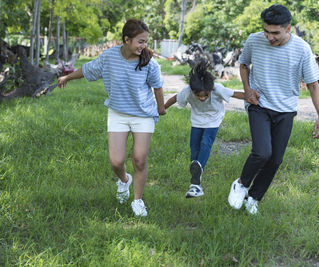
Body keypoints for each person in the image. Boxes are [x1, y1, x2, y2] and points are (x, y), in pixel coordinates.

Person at [57, 19, 166, 217]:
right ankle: (124, 180)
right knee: (116, 162)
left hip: (143, 115)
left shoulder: (149, 62)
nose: (144, 46)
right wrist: (67, 77)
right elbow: (88, 69)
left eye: (145, 42)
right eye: (140, 41)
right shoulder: (109, 57)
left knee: (139, 159)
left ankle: (137, 200)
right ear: (127, 39)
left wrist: (161, 108)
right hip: (118, 113)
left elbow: (157, 86)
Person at [227, 4, 319, 215]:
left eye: (275, 33)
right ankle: (241, 184)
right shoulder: (255, 40)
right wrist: (247, 89)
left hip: (286, 109)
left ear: (288, 28)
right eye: (266, 31)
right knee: (262, 152)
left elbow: (313, 84)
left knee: (276, 159)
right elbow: (243, 64)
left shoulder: (302, 49)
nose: (269, 37)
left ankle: (253, 198)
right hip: (259, 104)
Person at [165, 61, 244, 198]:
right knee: (194, 147)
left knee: (206, 143)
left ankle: (196, 177)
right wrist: (162, 108)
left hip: (214, 119)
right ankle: (195, 184)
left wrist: (251, 96)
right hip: (197, 120)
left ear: (210, 90)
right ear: (193, 91)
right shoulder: (187, 91)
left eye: (205, 95)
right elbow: (174, 98)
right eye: (199, 96)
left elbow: (235, 93)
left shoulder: (216, 88)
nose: (202, 98)